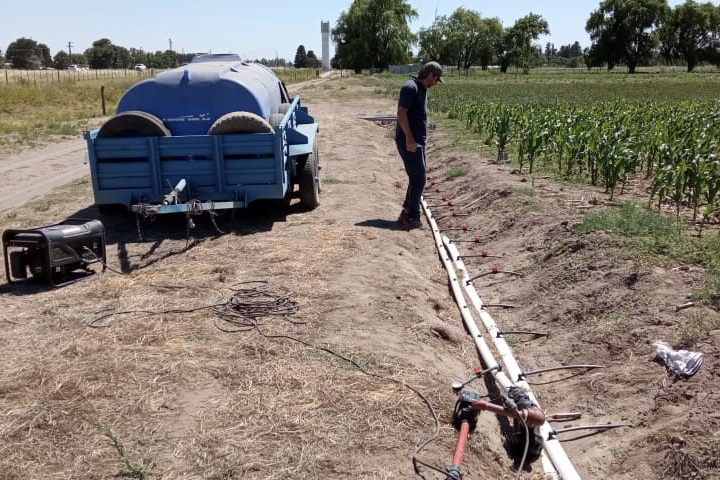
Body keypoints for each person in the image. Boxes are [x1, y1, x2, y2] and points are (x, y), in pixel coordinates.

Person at [395, 61, 443, 230]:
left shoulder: (421, 89)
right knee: (418, 178)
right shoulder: (410, 87)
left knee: (417, 178)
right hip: (410, 141)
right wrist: (409, 137)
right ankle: (411, 216)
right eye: (436, 80)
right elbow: (401, 112)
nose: (436, 84)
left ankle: (407, 213)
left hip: (417, 141)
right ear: (431, 75)